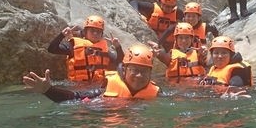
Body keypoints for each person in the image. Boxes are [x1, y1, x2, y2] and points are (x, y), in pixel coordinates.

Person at [24, 44, 161, 101]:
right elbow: (75, 97)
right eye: (135, 70)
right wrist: (48, 90)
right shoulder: (106, 89)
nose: (139, 76)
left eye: (144, 72)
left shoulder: (156, 93)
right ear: (124, 69)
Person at [46, 15, 123, 84]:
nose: (95, 33)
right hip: (77, 87)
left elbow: (120, 64)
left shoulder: (105, 50)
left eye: (98, 31)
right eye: (92, 30)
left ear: (101, 35)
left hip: (97, 89)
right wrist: (62, 35)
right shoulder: (74, 46)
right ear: (85, 32)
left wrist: (118, 47)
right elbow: (52, 49)